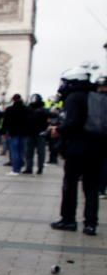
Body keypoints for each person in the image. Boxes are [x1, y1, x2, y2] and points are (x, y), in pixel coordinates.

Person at [51, 68, 105, 235]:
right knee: (91, 187)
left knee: (70, 185)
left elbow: (72, 123)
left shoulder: (74, 97)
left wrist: (58, 130)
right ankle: (90, 223)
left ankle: (68, 220)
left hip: (77, 149)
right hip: (97, 149)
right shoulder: (97, 97)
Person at [2, 94, 30, 175]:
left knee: (14, 151)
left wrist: (3, 132)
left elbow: (5, 122)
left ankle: (15, 169)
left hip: (13, 133)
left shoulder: (10, 109)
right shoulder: (26, 109)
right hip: (23, 133)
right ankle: (20, 167)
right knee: (21, 151)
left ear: (13, 100)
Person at [25, 94, 48, 175]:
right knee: (31, 152)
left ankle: (35, 168)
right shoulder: (31, 109)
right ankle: (32, 168)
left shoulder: (41, 110)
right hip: (33, 133)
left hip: (37, 133)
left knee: (36, 152)